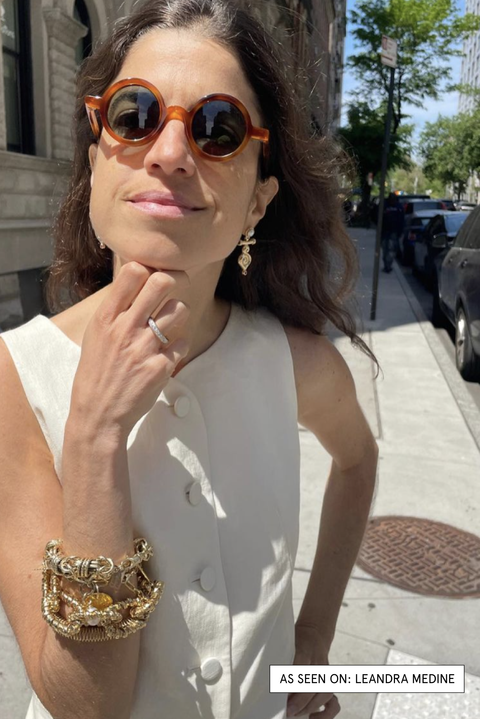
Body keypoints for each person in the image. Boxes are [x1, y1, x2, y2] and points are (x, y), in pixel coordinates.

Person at [0, 2, 379, 718]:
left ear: (258, 201)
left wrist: (315, 636)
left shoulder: (295, 363)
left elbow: (358, 461)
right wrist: (94, 437)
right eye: (134, 115)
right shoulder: (16, 377)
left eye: (217, 129)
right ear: (96, 163)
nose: (170, 152)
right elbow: (86, 705)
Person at [381, 193, 405, 273]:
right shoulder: (385, 206)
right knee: (386, 249)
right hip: (385, 231)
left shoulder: (398, 207)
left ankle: (388, 265)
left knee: (391, 249)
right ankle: (387, 265)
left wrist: (400, 231)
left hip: (393, 232)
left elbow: (401, 220)